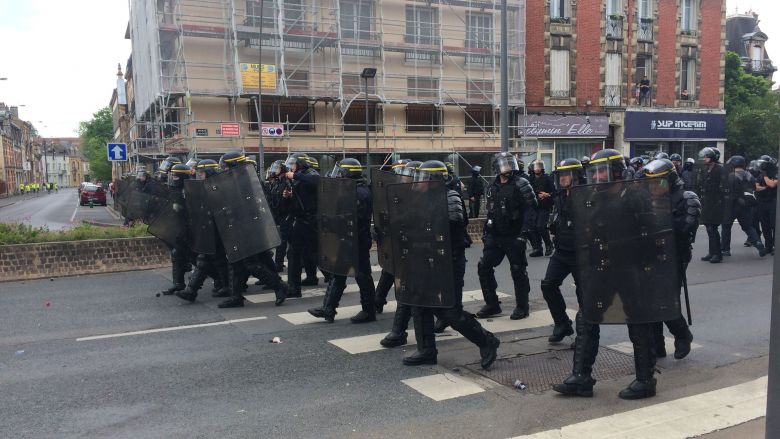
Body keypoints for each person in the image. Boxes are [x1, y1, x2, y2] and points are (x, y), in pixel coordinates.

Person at [552, 148, 660, 400]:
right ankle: (581, 377)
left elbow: (652, 233)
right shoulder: (594, 197)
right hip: (602, 267)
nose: (598, 176)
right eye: (595, 171)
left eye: (603, 171)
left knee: (637, 321)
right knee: (586, 318)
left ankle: (645, 380)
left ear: (618, 171)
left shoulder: (634, 196)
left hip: (629, 268)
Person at [398, 160, 500, 369]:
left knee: (449, 311)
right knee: (420, 304)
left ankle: (487, 340)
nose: (419, 183)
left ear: (435, 180)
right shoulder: (420, 198)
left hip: (448, 261)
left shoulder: (450, 197)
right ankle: (427, 350)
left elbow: (450, 225)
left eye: (424, 179)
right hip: (426, 259)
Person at [636, 158, 700, 360]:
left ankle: (682, 335)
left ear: (670, 180)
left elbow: (685, 226)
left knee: (664, 299)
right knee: (648, 299)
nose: (654, 187)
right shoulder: (646, 199)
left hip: (674, 254)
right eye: (651, 183)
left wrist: (659, 220)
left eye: (659, 182)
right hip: (648, 253)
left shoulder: (686, 197)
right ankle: (657, 344)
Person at [216, 152, 289, 308]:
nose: (223, 170)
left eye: (226, 167)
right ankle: (236, 296)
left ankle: (279, 286)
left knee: (251, 263)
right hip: (239, 227)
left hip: (250, 228)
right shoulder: (235, 181)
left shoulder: (248, 181)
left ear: (234, 166)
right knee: (237, 262)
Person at [308, 158, 377, 323]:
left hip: (357, 241)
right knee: (338, 274)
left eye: (340, 172)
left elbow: (355, 219)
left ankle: (369, 311)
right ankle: (328, 309)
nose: (337, 175)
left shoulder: (359, 192)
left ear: (347, 173)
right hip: (347, 239)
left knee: (363, 276)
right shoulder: (351, 189)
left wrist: (334, 221)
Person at [476, 152, 537, 320]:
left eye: (510, 163)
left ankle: (522, 306)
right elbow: (490, 211)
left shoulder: (521, 183)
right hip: (495, 235)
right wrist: (486, 232)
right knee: (484, 266)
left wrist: (523, 235)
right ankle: (492, 304)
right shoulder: (492, 186)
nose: (507, 167)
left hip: (514, 235)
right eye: (504, 164)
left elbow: (531, 210)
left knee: (518, 270)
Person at [540, 158, 584, 344]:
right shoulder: (560, 195)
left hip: (581, 253)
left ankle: (584, 335)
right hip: (562, 250)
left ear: (575, 175)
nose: (563, 178)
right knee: (548, 285)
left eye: (566, 174)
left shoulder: (585, 195)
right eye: (561, 175)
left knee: (584, 295)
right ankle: (562, 324)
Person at [175, 159, 232, 303]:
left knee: (205, 259)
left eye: (202, 173)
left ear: (210, 172)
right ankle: (224, 285)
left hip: (218, 228)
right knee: (216, 259)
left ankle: (192, 290)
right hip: (210, 227)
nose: (200, 176)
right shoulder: (207, 186)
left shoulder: (219, 186)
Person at [283, 153, 320, 298]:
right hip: (300, 220)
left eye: (293, 164)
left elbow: (316, 181)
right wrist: (289, 196)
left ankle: (334, 278)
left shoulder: (310, 173)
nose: (291, 167)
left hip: (310, 221)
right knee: (297, 253)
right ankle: (295, 287)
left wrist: (295, 176)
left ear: (301, 164)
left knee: (314, 252)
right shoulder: (300, 176)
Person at [720, 156, 767, 257]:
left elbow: (729, 191)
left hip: (732, 205)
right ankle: (758, 243)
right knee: (748, 227)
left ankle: (725, 250)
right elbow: (754, 188)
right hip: (747, 204)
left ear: (733, 164)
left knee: (726, 226)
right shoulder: (749, 175)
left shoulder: (732, 175)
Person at [697, 147, 726, 264]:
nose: (704, 159)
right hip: (707, 202)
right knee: (709, 229)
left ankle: (717, 254)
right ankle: (711, 252)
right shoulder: (705, 169)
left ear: (713, 157)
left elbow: (723, 186)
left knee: (713, 228)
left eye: (707, 156)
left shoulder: (719, 169)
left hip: (716, 203)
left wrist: (720, 200)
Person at [528, 160, 555, 257]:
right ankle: (538, 248)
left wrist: (547, 195)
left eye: (539, 166)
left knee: (540, 226)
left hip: (544, 206)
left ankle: (549, 245)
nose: (537, 168)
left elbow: (554, 192)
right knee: (532, 227)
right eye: (536, 166)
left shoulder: (547, 178)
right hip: (534, 206)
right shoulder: (530, 179)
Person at [755, 156, 778, 255]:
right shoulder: (760, 174)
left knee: (774, 225)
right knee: (765, 225)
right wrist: (766, 187)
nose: (761, 165)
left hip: (773, 202)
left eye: (763, 163)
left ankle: (776, 246)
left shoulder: (775, 172)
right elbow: (756, 187)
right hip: (762, 201)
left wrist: (765, 177)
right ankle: (768, 246)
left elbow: (772, 184)